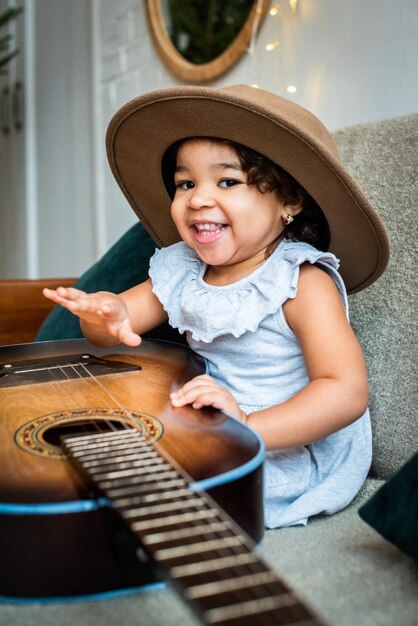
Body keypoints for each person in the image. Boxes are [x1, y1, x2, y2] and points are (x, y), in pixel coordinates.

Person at [43, 85, 389, 528]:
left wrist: (248, 423)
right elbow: (119, 324)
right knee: (97, 455)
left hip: (287, 438)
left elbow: (344, 392)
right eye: (185, 183)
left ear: (289, 201)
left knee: (159, 492)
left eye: (227, 181)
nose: (198, 198)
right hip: (213, 421)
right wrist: (103, 314)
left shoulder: (300, 281)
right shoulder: (183, 270)